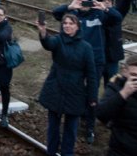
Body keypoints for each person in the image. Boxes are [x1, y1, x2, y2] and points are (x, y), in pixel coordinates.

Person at [52, 0, 122, 144]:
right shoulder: (73, 15)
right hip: (76, 61)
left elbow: (117, 18)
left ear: (91, 2)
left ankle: (90, 127)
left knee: (92, 94)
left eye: (86, 2)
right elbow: (56, 13)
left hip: (96, 61)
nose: (83, 5)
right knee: (74, 91)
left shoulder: (99, 14)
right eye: (81, 2)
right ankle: (75, 119)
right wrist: (70, 6)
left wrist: (105, 8)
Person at [38, 13, 97, 156]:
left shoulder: (86, 47)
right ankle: (51, 152)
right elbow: (48, 44)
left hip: (75, 92)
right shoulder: (58, 40)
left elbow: (91, 74)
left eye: (71, 23)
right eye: (65, 23)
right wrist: (43, 32)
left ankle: (67, 153)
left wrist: (92, 97)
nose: (67, 26)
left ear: (77, 26)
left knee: (71, 129)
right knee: (53, 127)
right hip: (56, 88)